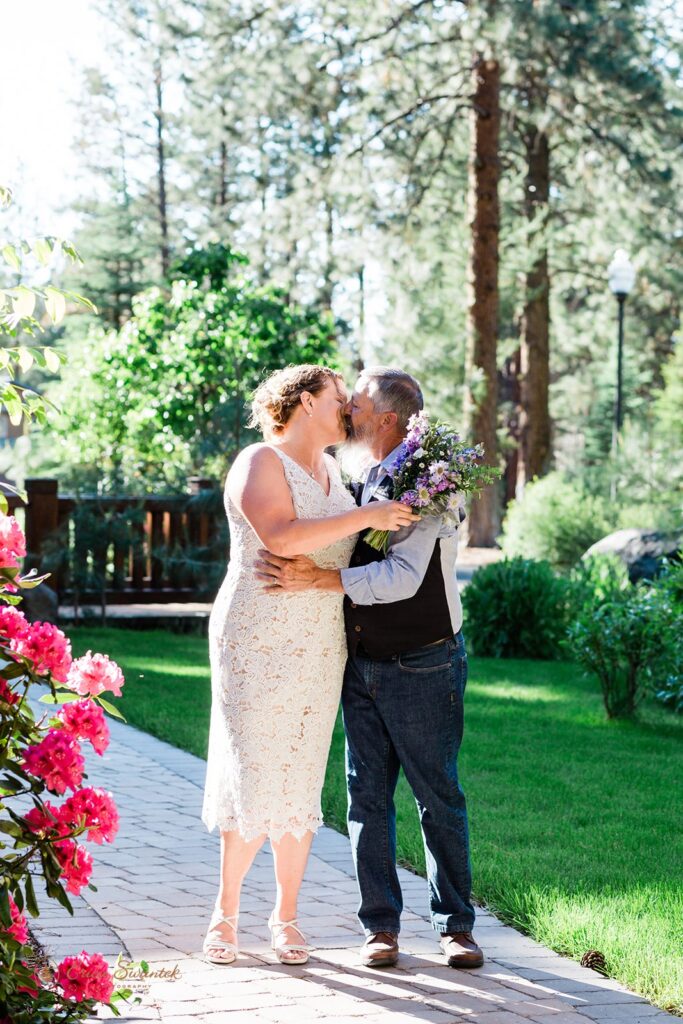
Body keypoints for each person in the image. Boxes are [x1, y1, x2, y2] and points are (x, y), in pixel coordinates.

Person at [255, 366, 484, 970]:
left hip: (426, 662)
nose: (346, 408)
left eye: (355, 399)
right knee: (367, 800)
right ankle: (380, 927)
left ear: (386, 418)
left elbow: (405, 578)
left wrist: (320, 580)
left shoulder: (431, 484)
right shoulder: (356, 474)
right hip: (362, 664)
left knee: (438, 797)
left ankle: (456, 927)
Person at [200, 364, 418, 967]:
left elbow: (343, 555)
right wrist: (368, 517)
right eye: (337, 398)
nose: (348, 408)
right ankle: (224, 913)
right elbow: (282, 535)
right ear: (299, 402)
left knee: (298, 771)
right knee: (254, 765)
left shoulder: (337, 475)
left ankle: (285, 917)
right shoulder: (259, 462)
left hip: (321, 640)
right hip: (257, 632)